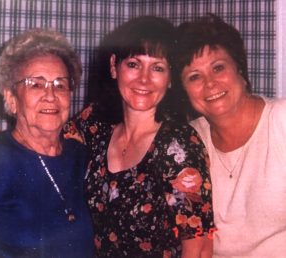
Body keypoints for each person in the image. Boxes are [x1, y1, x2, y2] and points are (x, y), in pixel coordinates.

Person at [64, 16, 214, 258]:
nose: (144, 79)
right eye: (133, 64)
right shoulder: (95, 124)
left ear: (170, 79)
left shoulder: (178, 144)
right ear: (114, 66)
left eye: (157, 68)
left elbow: (199, 248)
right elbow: (47, 143)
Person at [174, 14, 286, 258]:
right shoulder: (187, 142)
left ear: (240, 69)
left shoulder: (281, 121)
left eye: (218, 68)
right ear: (185, 91)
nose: (210, 83)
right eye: (194, 76)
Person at [0, 28, 94, 257]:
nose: (50, 95)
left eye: (60, 85)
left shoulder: (81, 157)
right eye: (36, 84)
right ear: (11, 98)